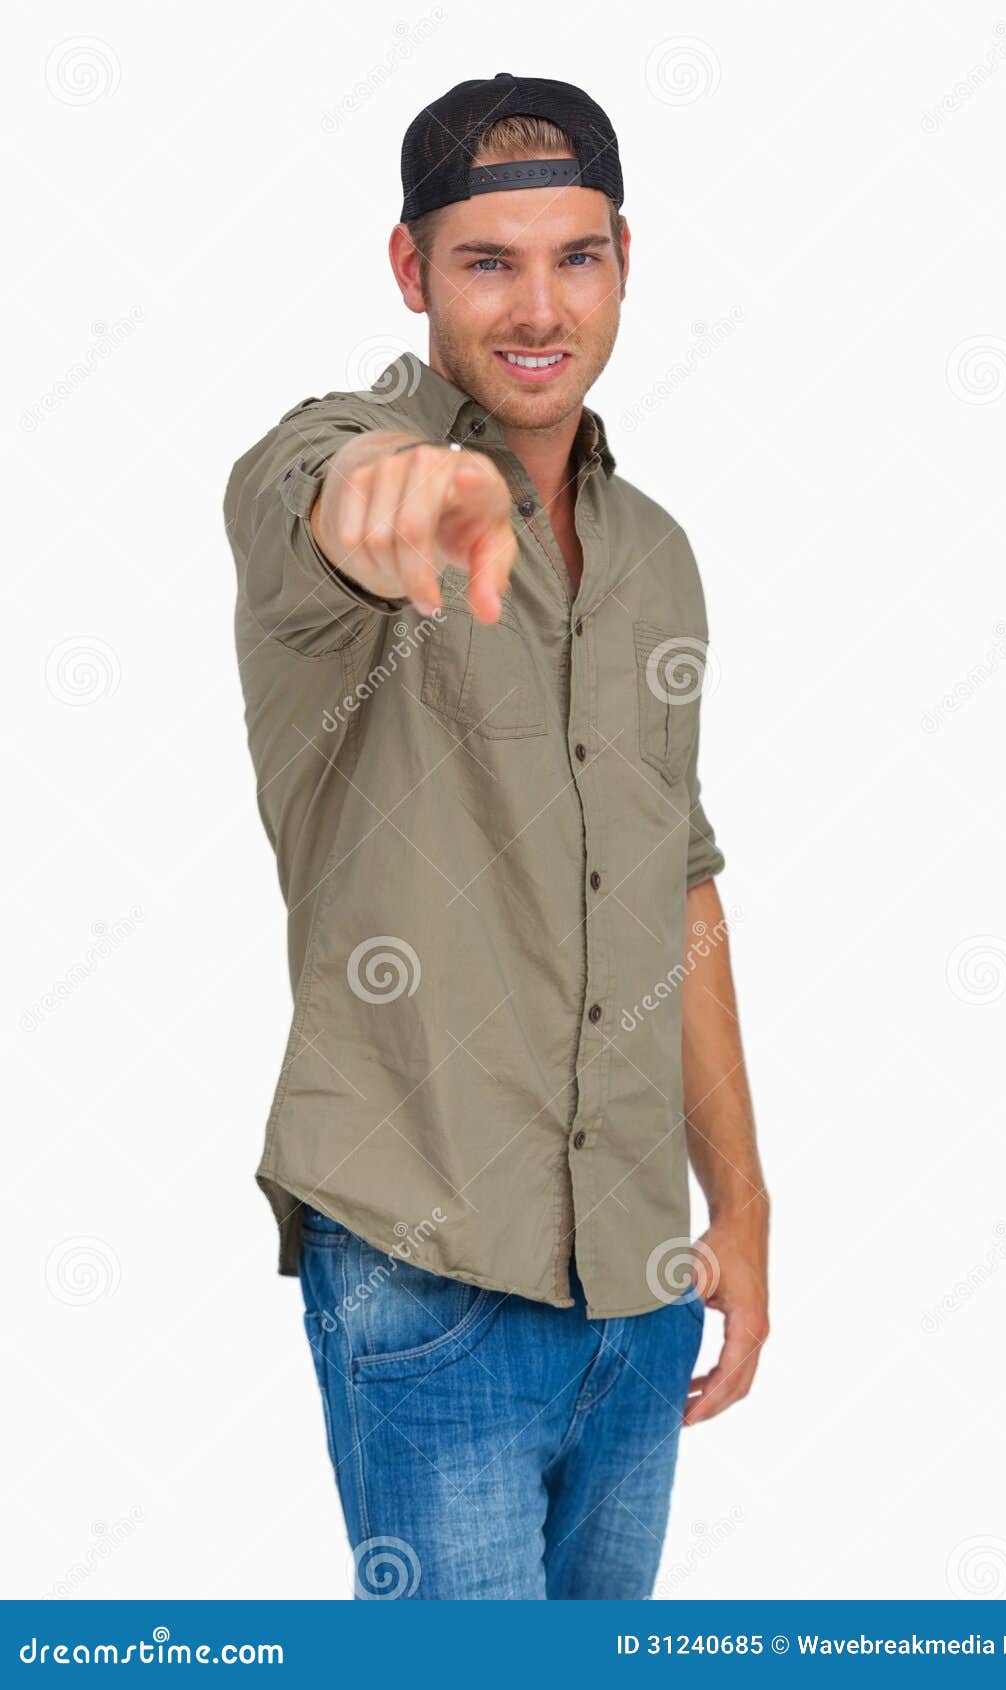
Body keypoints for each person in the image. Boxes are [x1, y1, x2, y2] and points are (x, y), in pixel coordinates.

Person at [224, 72, 770, 1601]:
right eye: (486, 261)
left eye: (573, 256)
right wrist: (384, 499)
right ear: (411, 270)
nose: (538, 306)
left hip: (638, 1282)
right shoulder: (342, 463)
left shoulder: (655, 557)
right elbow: (316, 492)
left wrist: (742, 1202)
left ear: (622, 258)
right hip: (426, 1269)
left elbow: (681, 876)